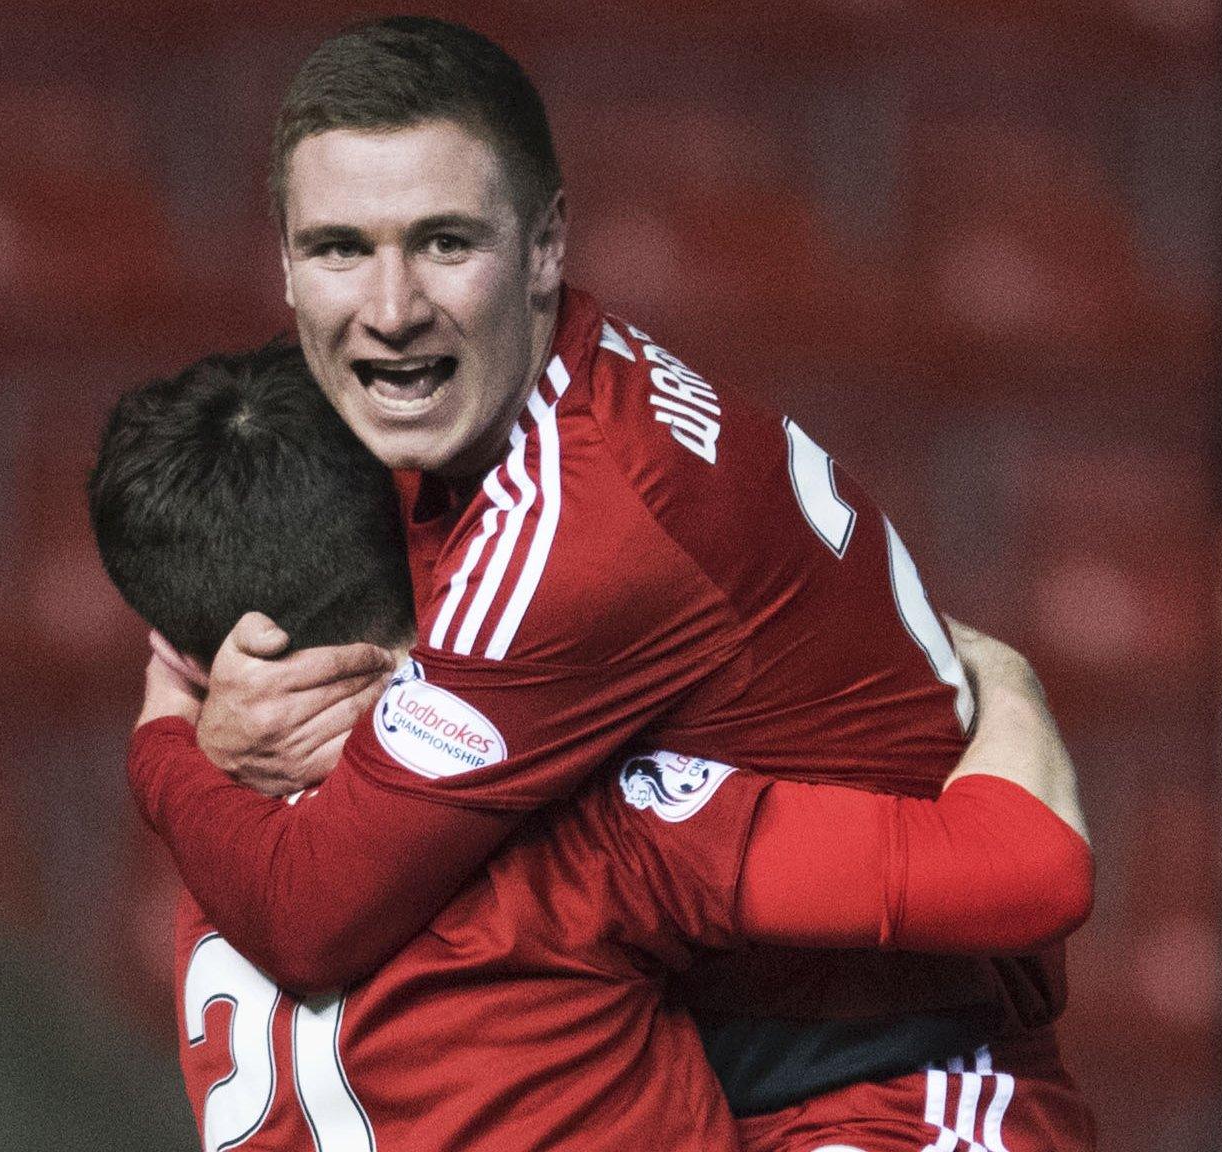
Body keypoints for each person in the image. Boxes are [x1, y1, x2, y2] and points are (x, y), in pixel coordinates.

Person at [125, 16, 1097, 1148]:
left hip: (898, 1085)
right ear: (283, 266)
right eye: (339, 248)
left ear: (543, 248)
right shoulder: (443, 446)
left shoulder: (573, 534)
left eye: (444, 243)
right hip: (745, 1059)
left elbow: (307, 914)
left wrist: (167, 748)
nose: (388, 308)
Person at [94, 342, 1093, 1150]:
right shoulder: (582, 834)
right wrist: (1003, 675)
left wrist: (166, 740)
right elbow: (1027, 872)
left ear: (180, 652)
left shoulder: (209, 885)